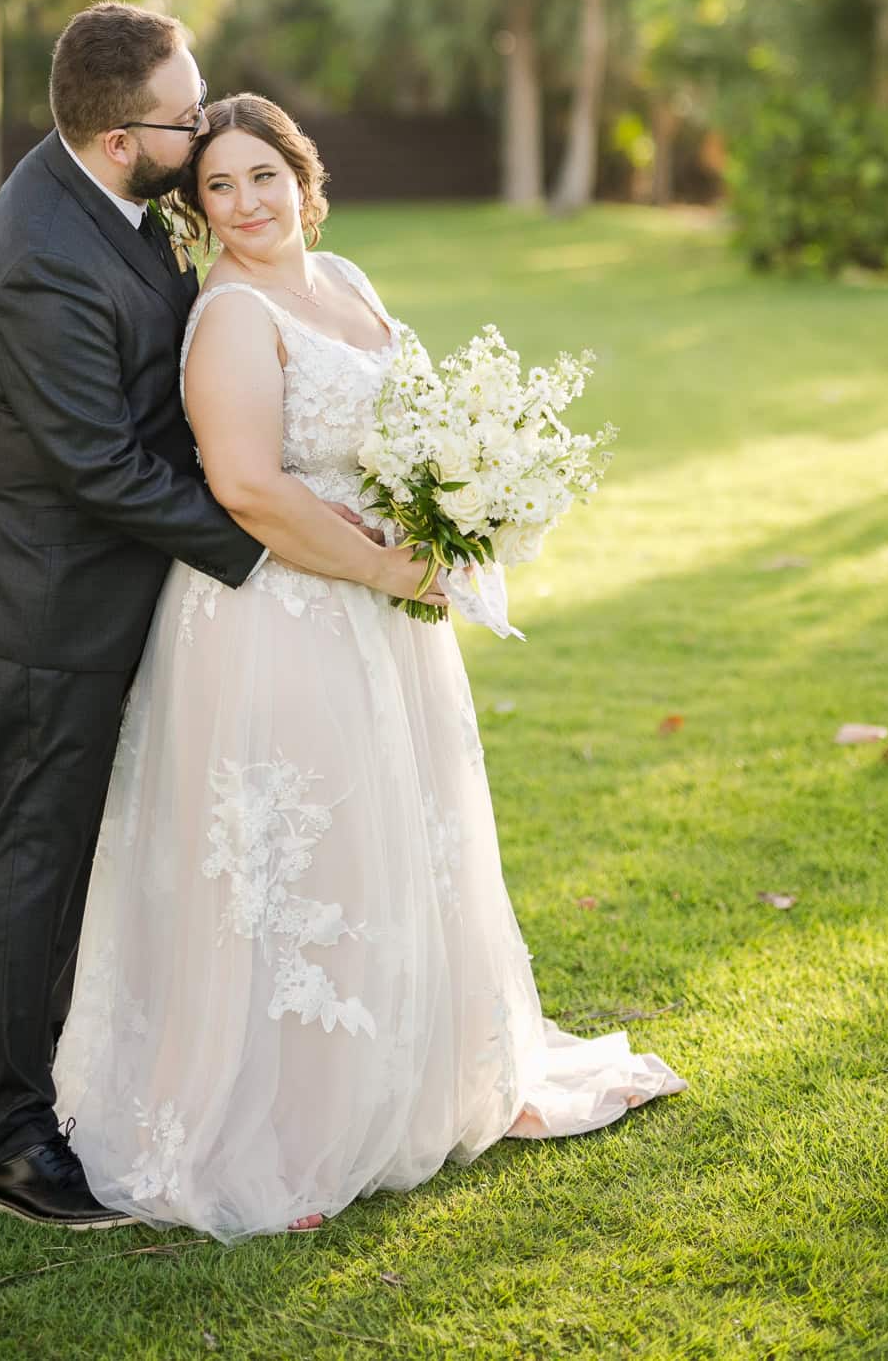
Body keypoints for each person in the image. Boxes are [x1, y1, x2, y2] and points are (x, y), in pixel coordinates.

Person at [51, 92, 686, 1240]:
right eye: (218, 189)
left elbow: (407, 429)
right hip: (280, 618)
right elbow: (247, 489)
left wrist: (458, 510)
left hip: (379, 611)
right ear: (196, 214)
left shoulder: (346, 286)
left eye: (262, 177)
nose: (246, 205)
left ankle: (408, 1080)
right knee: (300, 860)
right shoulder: (231, 318)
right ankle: (278, 1129)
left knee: (387, 842)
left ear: (303, 175)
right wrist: (393, 573)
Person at [0, 9, 441, 1230]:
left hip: (121, 583)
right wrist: (286, 546)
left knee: (95, 854)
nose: (201, 132)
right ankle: (5, 1142)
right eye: (183, 119)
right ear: (112, 133)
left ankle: (69, 1079)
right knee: (31, 859)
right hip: (44, 600)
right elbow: (100, 465)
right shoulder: (41, 253)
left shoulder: (116, 204)